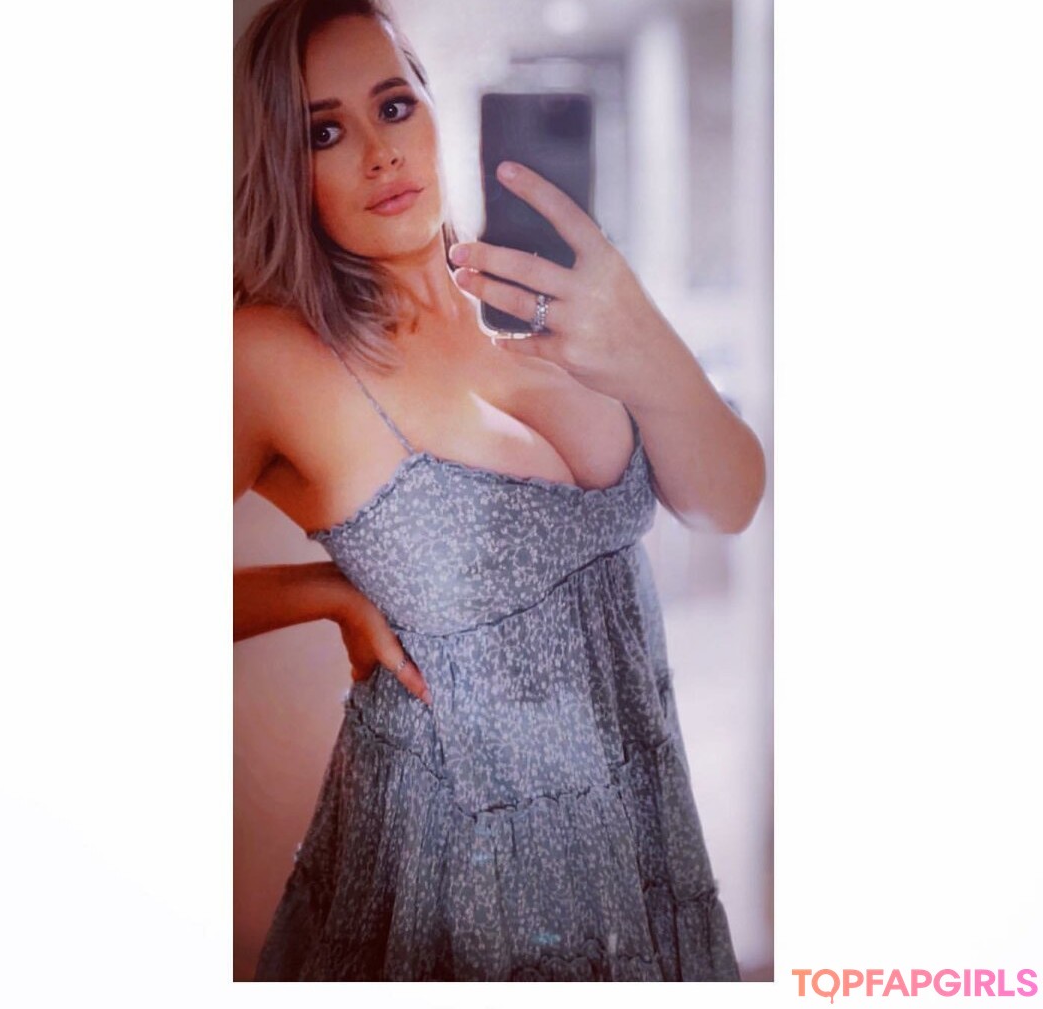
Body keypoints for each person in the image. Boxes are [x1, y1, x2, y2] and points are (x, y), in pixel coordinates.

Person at [233, 0, 765, 982]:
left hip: (638, 823)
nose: (380, 153)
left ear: (436, 109)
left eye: (395, 105)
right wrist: (324, 594)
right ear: (284, 165)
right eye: (325, 132)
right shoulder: (273, 358)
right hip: (449, 867)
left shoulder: (561, 306)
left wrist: (646, 336)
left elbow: (728, 501)